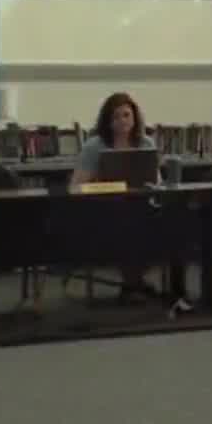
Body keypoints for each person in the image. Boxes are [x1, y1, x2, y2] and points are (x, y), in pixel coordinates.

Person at [68, 92, 184, 310]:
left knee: (172, 222)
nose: (122, 121)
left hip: (142, 207)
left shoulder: (146, 143)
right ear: (107, 120)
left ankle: (144, 285)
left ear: (135, 117)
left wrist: (153, 187)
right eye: (116, 116)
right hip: (104, 210)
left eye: (126, 115)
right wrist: (104, 187)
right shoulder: (95, 146)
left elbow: (157, 182)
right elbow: (75, 187)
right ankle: (133, 284)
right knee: (127, 223)